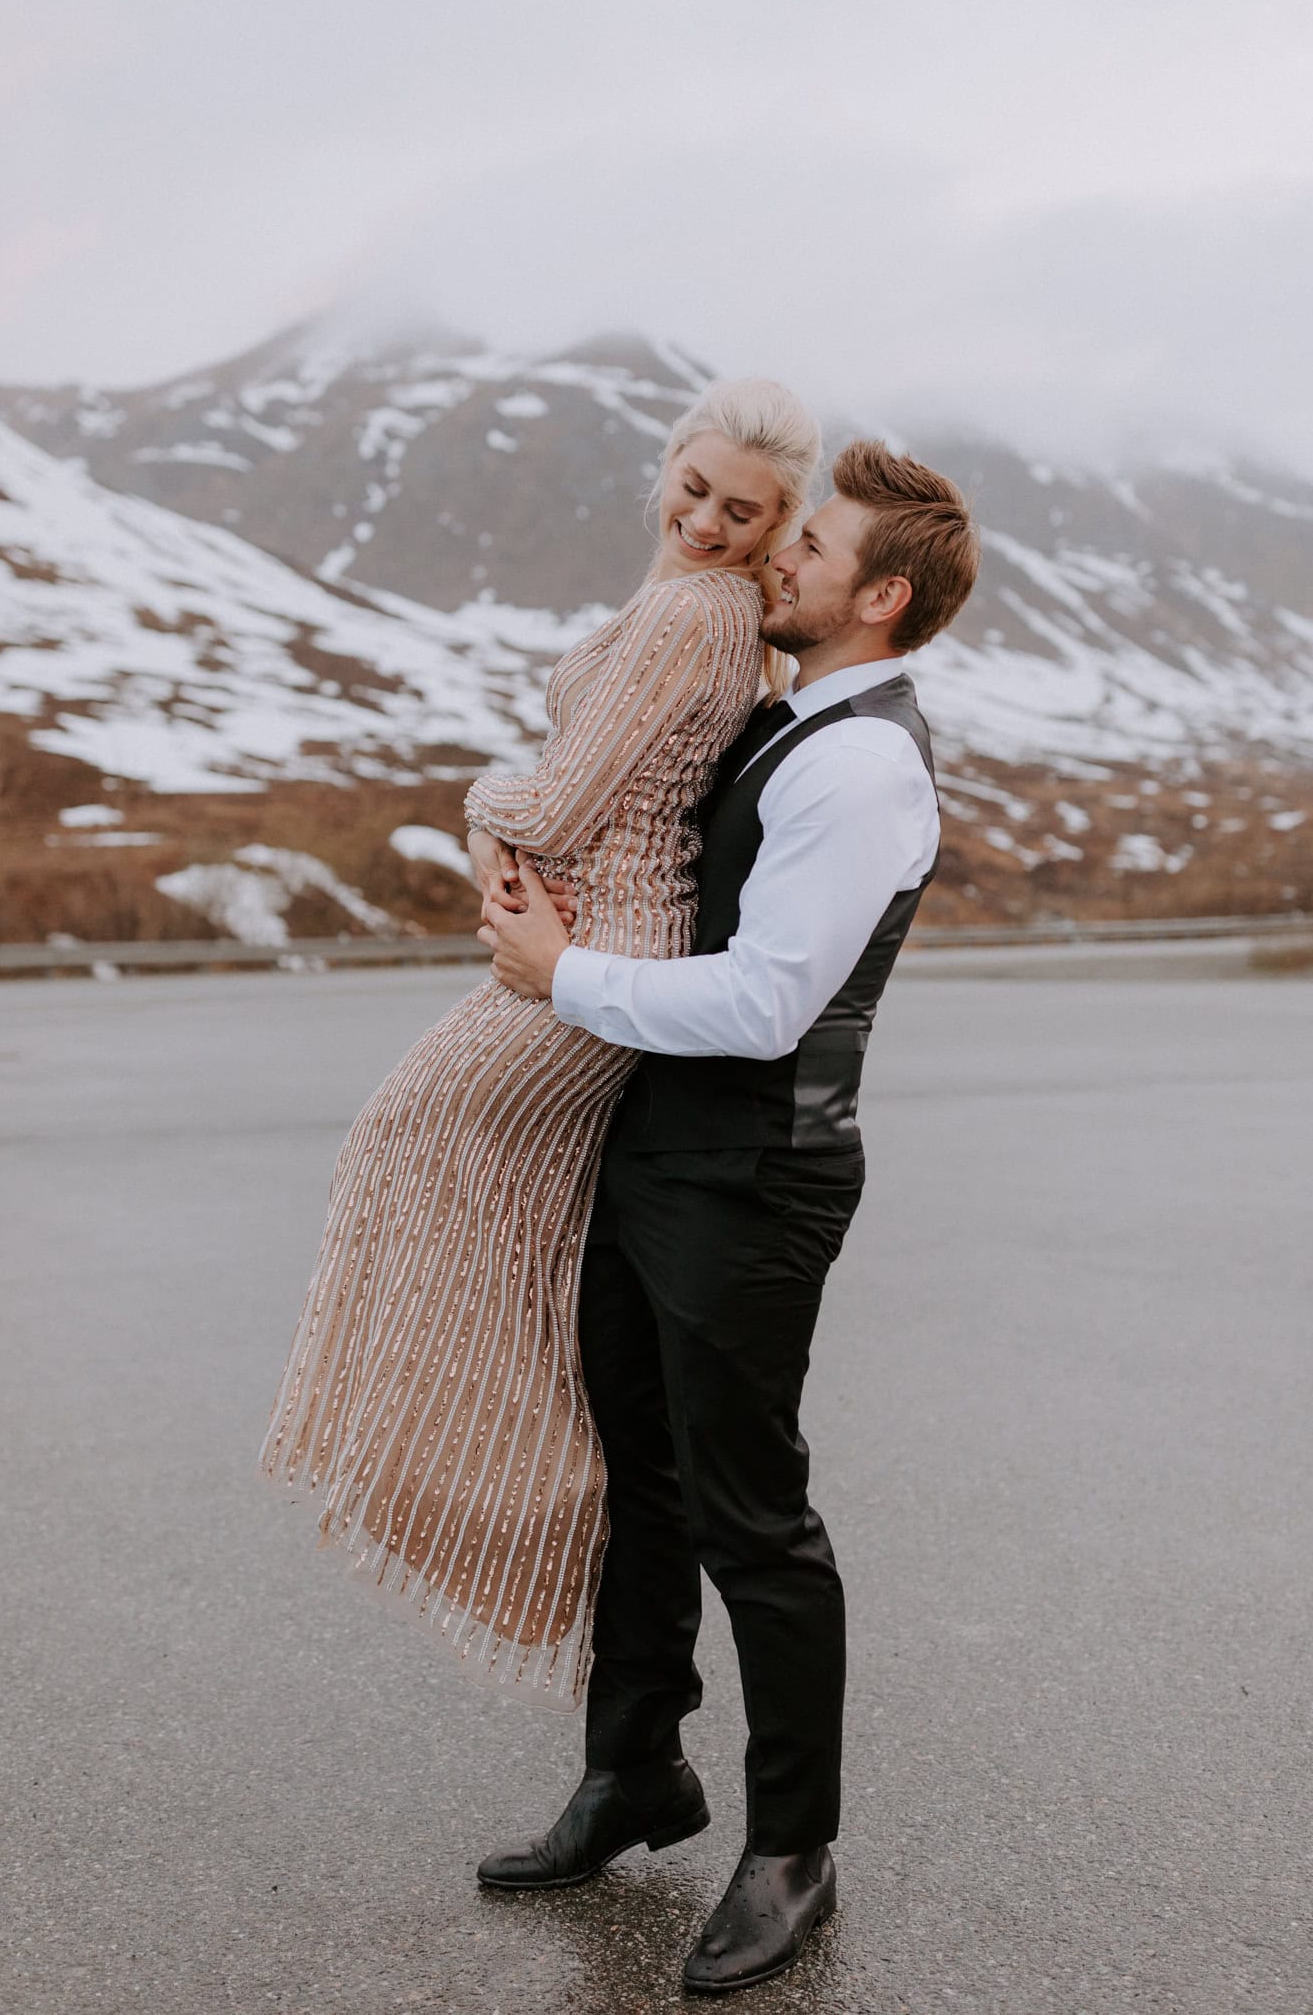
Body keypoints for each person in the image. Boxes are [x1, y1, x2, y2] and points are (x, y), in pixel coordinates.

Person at [478, 440, 981, 1995]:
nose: (780, 558)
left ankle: (791, 1853)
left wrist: (562, 977)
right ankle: (636, 1771)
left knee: (755, 1514)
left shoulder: (858, 763)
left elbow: (768, 1001)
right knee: (644, 1473)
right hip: (660, 1154)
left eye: (811, 544)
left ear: (877, 595)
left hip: (754, 1177)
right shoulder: (790, 718)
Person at [259, 378, 822, 1706]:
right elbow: (576, 801)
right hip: (593, 935)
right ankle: (547, 1493)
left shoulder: (695, 612)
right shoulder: (692, 602)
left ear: (777, 519)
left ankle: (527, 1494)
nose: (706, 521)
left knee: (405, 1140)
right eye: (695, 489)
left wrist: (481, 811)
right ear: (668, 467)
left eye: (743, 511)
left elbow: (565, 795)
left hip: (600, 951)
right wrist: (502, 854)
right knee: (532, 1238)